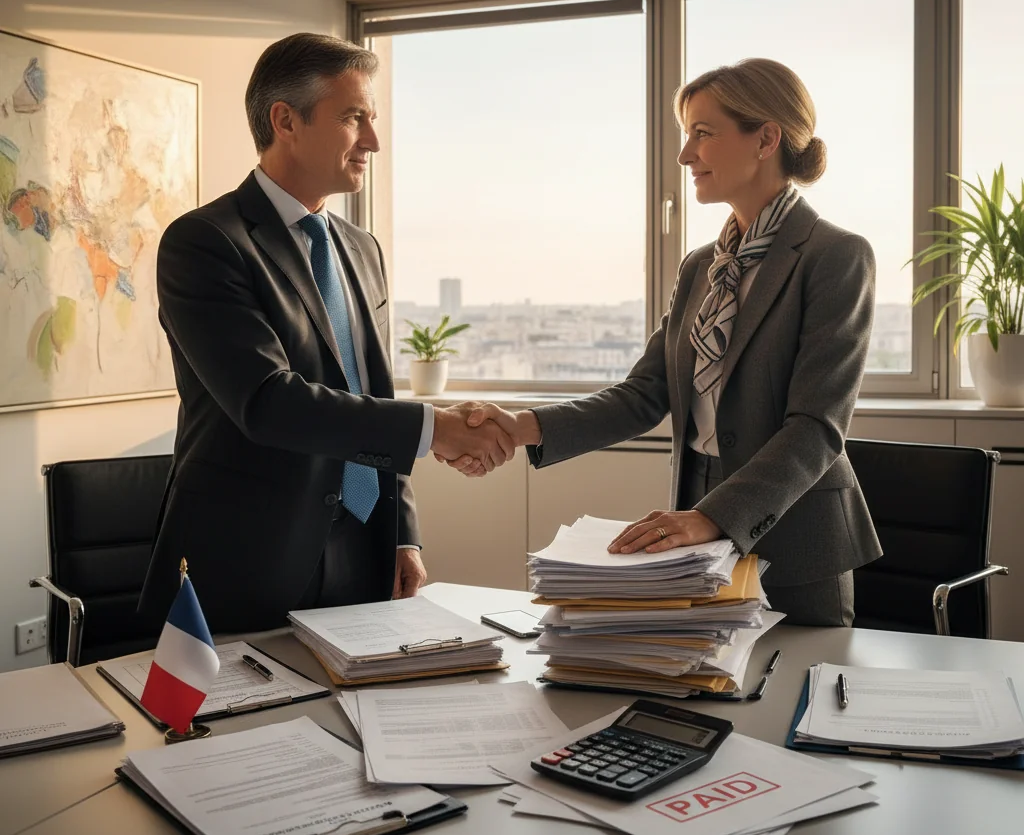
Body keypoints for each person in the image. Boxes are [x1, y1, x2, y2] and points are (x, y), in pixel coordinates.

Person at [448, 58, 883, 626]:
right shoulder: (703, 266)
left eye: (703, 134)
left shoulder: (836, 256)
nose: (685, 155)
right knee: (697, 683)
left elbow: (816, 427)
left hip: (794, 533)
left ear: (766, 138)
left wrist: (714, 517)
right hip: (693, 518)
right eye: (686, 136)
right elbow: (645, 394)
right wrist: (519, 425)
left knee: (787, 700)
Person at [138, 33, 513, 633]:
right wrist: (434, 428)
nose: (374, 141)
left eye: (373, 119)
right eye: (353, 118)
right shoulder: (206, 242)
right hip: (246, 561)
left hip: (363, 551)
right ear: (285, 120)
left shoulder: (361, 250)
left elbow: (372, 389)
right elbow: (267, 401)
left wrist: (401, 533)